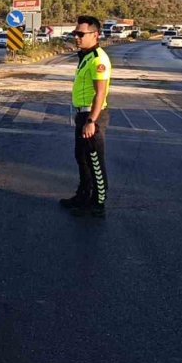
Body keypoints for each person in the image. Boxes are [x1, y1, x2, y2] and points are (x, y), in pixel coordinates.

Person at [59, 15, 112, 218]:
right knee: (81, 157)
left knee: (94, 160)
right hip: (83, 114)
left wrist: (91, 120)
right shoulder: (86, 56)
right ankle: (83, 195)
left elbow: (101, 92)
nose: (77, 37)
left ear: (95, 34)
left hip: (93, 116)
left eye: (81, 34)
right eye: (76, 33)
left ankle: (98, 203)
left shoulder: (99, 59)